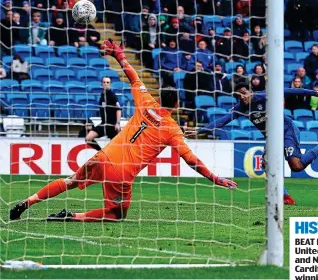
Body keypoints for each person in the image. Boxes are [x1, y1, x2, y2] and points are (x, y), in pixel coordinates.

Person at [10, 39, 237, 222]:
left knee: (70, 181)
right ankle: (71, 217)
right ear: (177, 105)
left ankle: (28, 201)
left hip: (104, 156)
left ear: (159, 98)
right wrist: (215, 177)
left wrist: (118, 55)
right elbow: (191, 160)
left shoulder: (146, 102)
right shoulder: (172, 129)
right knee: (116, 215)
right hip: (121, 173)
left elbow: (132, 75)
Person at [185, 83, 318, 205]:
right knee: (266, 164)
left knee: (297, 167)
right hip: (271, 137)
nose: (243, 97)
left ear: (250, 92)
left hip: (286, 129)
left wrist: (314, 92)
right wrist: (200, 131)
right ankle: (285, 196)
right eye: (239, 95)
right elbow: (223, 120)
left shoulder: (263, 96)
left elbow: (289, 91)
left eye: (245, 94)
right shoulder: (240, 108)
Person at [85, 76, 122, 151]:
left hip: (112, 126)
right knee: (88, 138)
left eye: (107, 82)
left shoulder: (112, 95)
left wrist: (117, 123)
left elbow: (118, 110)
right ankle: (101, 153)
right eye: (104, 82)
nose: (105, 84)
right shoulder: (102, 95)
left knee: (116, 148)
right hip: (103, 124)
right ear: (101, 84)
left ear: (110, 84)